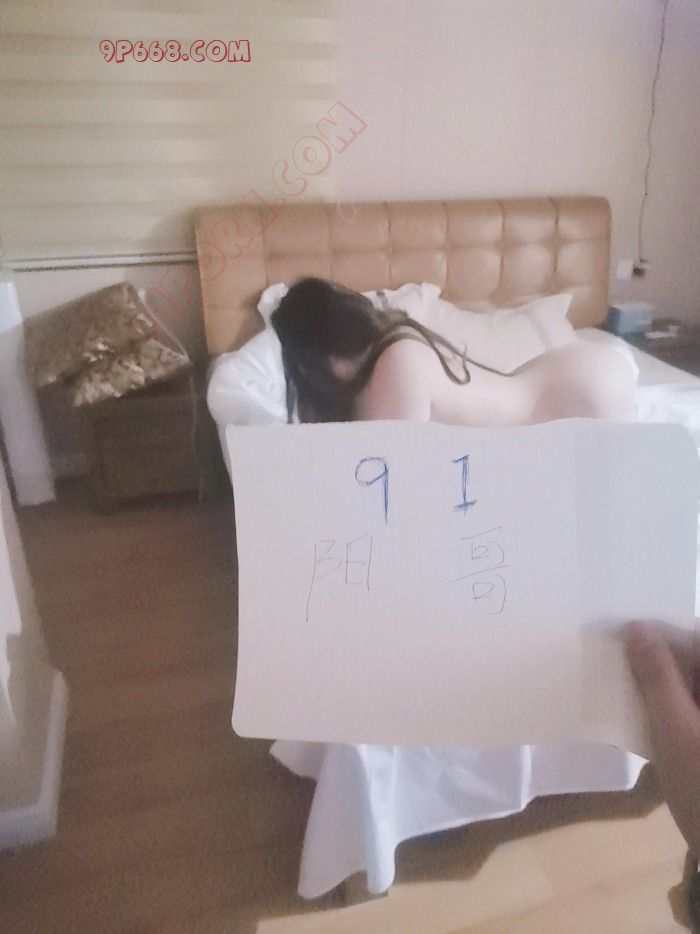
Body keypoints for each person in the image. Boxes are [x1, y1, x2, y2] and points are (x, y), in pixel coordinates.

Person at [271, 276, 636, 425]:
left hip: (577, 394)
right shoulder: (388, 349)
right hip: (567, 378)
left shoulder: (395, 364)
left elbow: (398, 489)